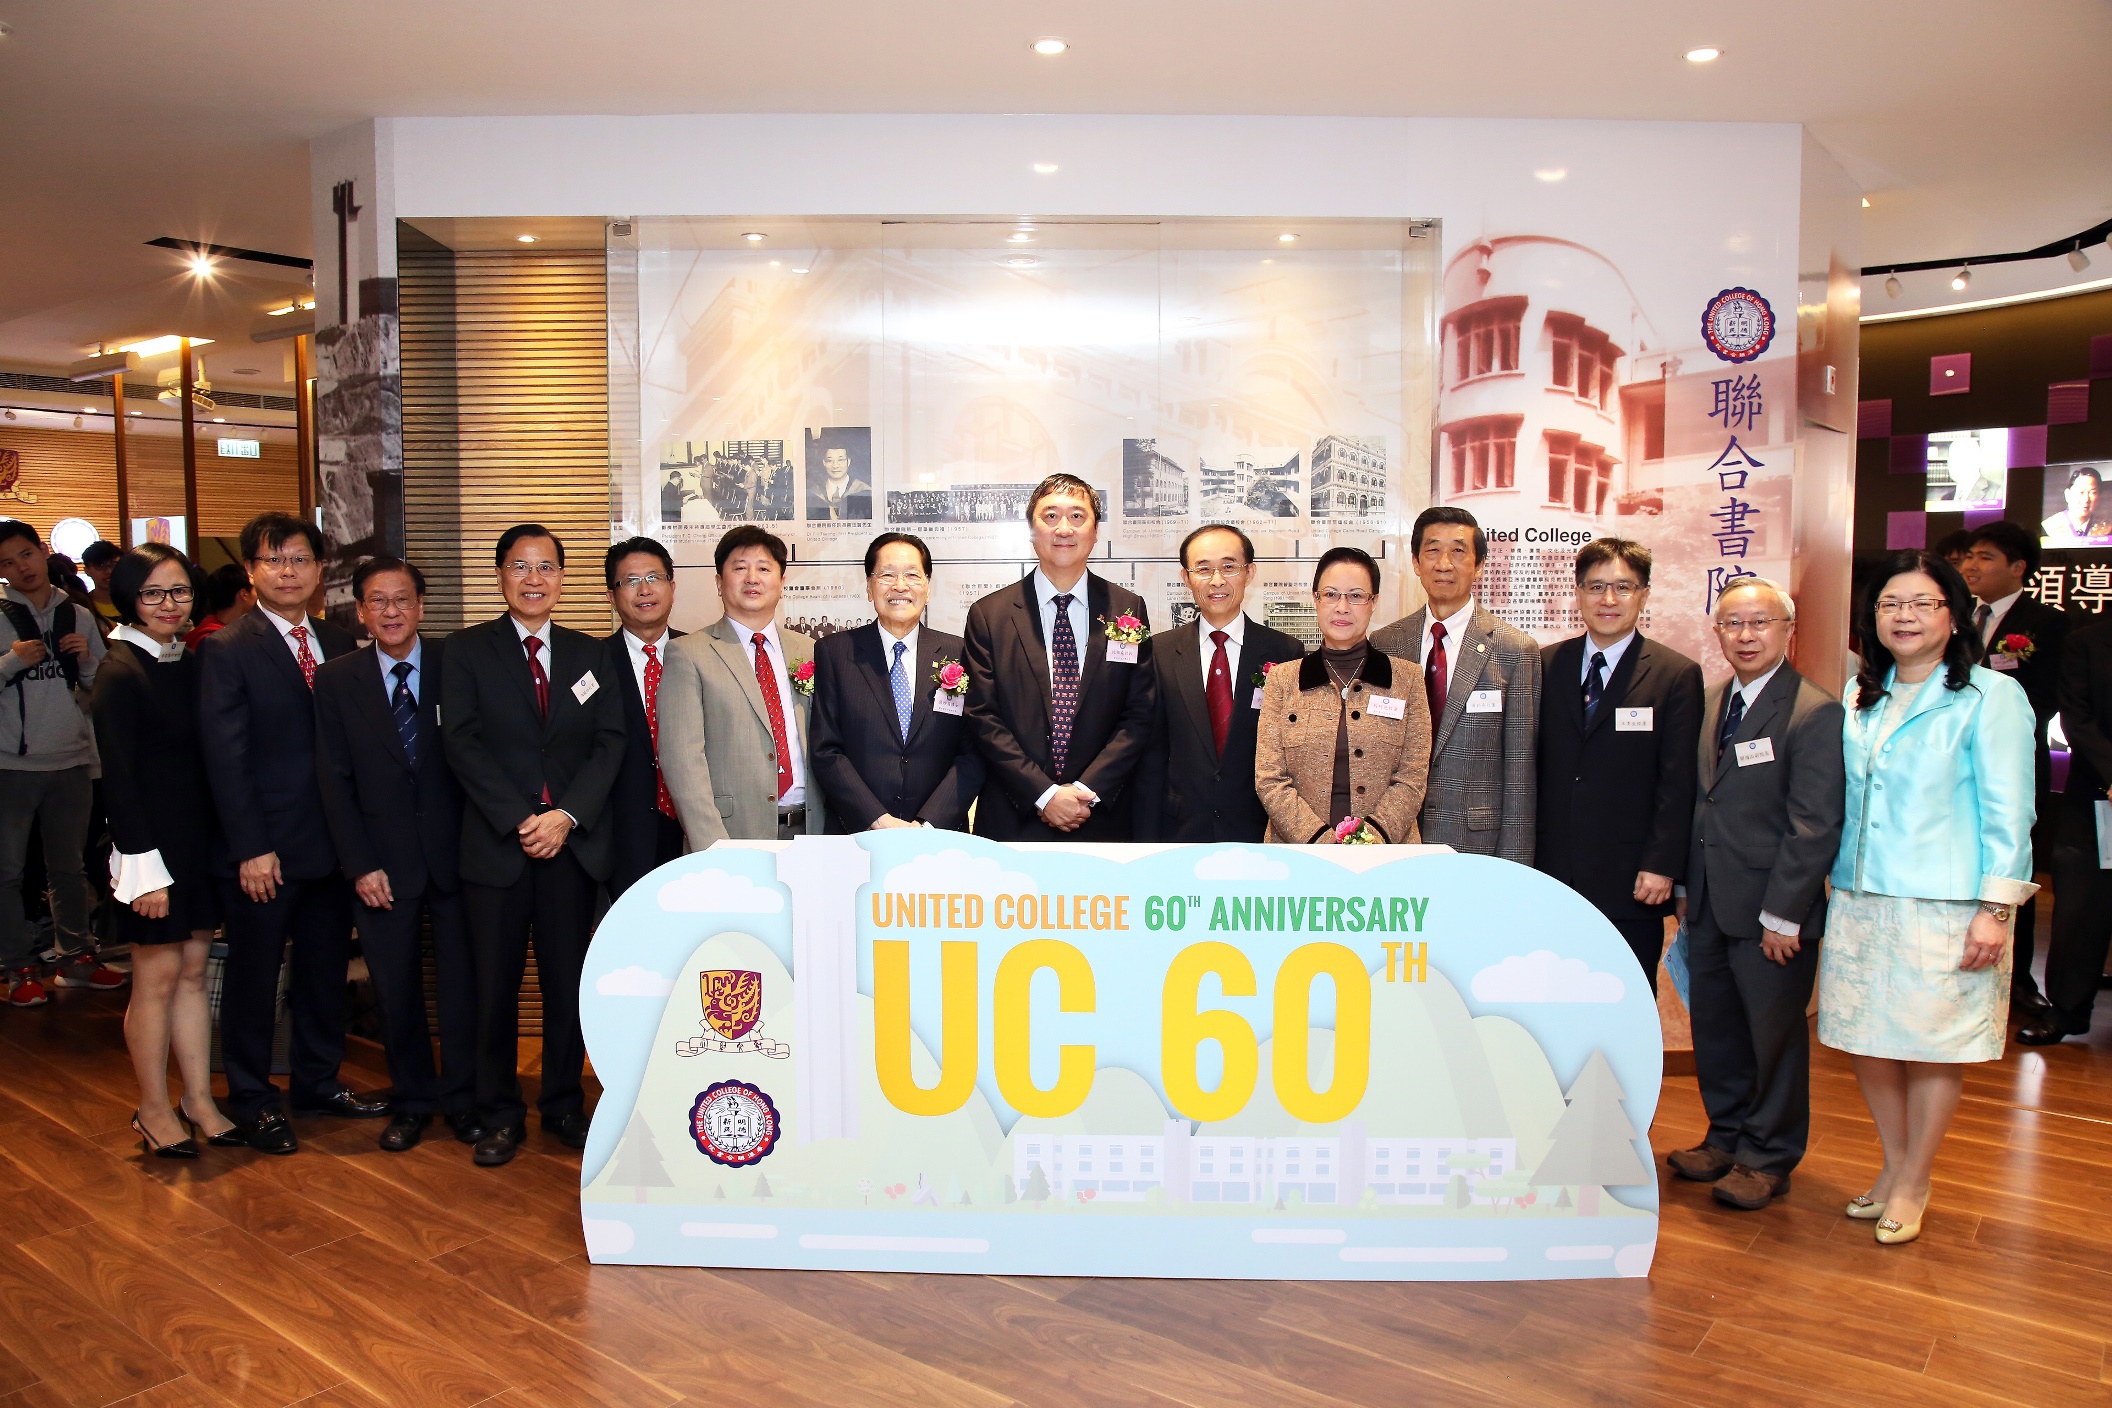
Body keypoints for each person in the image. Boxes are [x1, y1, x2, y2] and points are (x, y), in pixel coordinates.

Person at [1819, 550, 2037, 1246]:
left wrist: (1995, 908)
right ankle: (1892, 1165)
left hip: (1946, 905)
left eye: (1921, 603)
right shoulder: (1860, 695)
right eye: (1890, 604)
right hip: (1860, 895)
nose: (1904, 616)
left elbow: (2011, 811)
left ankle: (1916, 1177)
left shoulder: (1988, 695)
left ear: (1953, 614)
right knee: (1870, 1044)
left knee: (1932, 1047)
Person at [197, 514, 382, 1153]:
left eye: (300, 560)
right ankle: (250, 1096)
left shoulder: (337, 640)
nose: (288, 572)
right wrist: (250, 845)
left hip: (330, 848)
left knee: (323, 972)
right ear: (251, 572)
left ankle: (317, 1081)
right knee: (256, 977)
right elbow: (226, 757)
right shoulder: (227, 647)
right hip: (265, 853)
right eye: (274, 561)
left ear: (318, 570)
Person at [442, 524, 626, 1167]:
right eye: (520, 566)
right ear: (501, 576)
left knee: (565, 984)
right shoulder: (465, 652)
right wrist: (523, 818)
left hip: (569, 849)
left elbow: (611, 743)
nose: (534, 578)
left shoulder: (590, 654)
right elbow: (460, 743)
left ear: (563, 578)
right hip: (498, 847)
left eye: (546, 567)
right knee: (492, 985)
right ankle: (498, 1111)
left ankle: (561, 1105)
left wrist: (566, 816)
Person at [1667, 579, 1846, 1210]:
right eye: (1732, 624)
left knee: (1772, 1037)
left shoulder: (1813, 712)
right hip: (1711, 902)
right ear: (1717, 632)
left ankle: (1768, 1156)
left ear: (1786, 629)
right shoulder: (1714, 702)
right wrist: (1687, 886)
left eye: (1759, 623)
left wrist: (1785, 915)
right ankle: (1726, 1136)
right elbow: (1699, 805)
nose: (1745, 636)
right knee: (1717, 1029)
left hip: (1774, 914)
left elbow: (1815, 824)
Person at [314, 557, 477, 1152]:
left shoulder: (455, 665)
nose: (390, 611)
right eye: (377, 601)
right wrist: (359, 863)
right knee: (397, 987)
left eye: (402, 599)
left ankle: (462, 1098)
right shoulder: (336, 680)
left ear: (421, 605)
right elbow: (333, 779)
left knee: (463, 986)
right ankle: (411, 1100)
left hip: (458, 858)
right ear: (360, 610)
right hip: (380, 864)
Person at [92, 543, 238, 1157]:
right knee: (153, 980)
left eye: (179, 591)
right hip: (150, 853)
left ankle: (198, 1098)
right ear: (130, 599)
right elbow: (119, 781)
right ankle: (152, 1107)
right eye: (153, 593)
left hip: (197, 842)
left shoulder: (189, 659)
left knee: (193, 973)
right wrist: (143, 870)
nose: (168, 604)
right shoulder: (120, 671)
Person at [1534, 539, 1704, 989]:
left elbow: (1678, 780)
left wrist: (1663, 864)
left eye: (1623, 587)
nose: (1608, 600)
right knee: (1553, 1001)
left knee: (1624, 1002)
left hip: (1632, 880)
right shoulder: (1546, 665)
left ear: (1644, 594)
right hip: (1553, 875)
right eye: (1596, 587)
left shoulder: (1675, 674)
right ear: (1578, 592)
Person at [964, 474, 1156, 841]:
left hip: (1100, 816)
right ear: (1032, 531)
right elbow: (982, 716)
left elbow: (1139, 712)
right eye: (1050, 517)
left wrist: (1086, 789)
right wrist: (1044, 794)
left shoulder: (1127, 609)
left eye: (1077, 517)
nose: (1064, 528)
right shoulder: (990, 614)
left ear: (1096, 531)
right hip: (1014, 815)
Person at [1369, 506, 1542, 862]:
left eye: (1458, 551)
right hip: (1394, 839)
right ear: (1416, 562)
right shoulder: (1386, 644)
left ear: (1478, 565)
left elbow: (1521, 771)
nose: (1444, 564)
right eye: (1432, 551)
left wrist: (1515, 866)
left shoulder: (1514, 650)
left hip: (1477, 844)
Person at [0, 520, 124, 1005]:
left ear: (42, 552)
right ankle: (16, 968)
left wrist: (89, 662)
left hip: (72, 759)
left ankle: (76, 958)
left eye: (26, 555)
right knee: (8, 872)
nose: (20, 567)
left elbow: (99, 690)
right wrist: (11, 661)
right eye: (7, 563)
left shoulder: (77, 613)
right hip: (11, 763)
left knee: (69, 868)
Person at [1133, 524, 1304, 842]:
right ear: (1186, 577)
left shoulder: (1286, 652)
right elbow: (1149, 752)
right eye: (1203, 569)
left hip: (1259, 829)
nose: (1217, 580)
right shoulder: (1159, 652)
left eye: (1229, 567)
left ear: (1249, 572)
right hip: (1179, 830)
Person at [1960, 520, 2068, 1019]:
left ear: (2018, 568)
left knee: (2008, 868)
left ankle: (2018, 978)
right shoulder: (1955, 617)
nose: (1970, 566)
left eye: (1984, 557)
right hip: (1954, 764)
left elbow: (2048, 698)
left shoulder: (2047, 623)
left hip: (2016, 760)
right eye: (1967, 557)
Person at [659, 525, 827, 843]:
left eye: (764, 568)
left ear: (781, 582)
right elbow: (681, 758)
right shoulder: (689, 653)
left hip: (811, 830)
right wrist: (713, 845)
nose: (752, 578)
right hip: (731, 835)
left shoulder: (811, 650)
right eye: (740, 568)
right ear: (719, 583)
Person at [1254, 546, 1432, 845]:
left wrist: (1366, 841)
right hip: (1299, 853)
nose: (1342, 607)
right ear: (1316, 599)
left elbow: (1412, 777)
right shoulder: (1283, 680)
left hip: (1386, 854)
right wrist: (1322, 842)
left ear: (1373, 602)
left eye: (1356, 595)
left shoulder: (1408, 679)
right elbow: (1270, 778)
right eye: (1331, 594)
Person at [2018, 608, 2112, 1046]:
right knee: (2081, 909)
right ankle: (2067, 1010)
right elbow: (2076, 716)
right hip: (2097, 795)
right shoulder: (2088, 641)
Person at [601, 537, 687, 896]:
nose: (645, 589)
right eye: (630, 581)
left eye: (654, 577)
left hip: (691, 833)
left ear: (672, 586)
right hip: (618, 839)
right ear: (611, 595)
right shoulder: (591, 662)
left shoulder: (704, 653)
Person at [184, 564, 255, 648]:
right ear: (244, 594)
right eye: (257, 590)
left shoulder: (211, 628)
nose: (261, 596)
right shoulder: (212, 641)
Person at [2040, 465, 2112, 544]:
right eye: (2080, 492)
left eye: (2092, 493)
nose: (2086, 499)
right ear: (2067, 495)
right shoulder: (2048, 527)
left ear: (2099, 497)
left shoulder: (2107, 530)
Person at [807, 444, 872, 521]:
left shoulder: (864, 491)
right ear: (824, 462)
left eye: (841, 460)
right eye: (830, 460)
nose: (835, 466)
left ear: (849, 461)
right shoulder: (812, 494)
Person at [80, 540, 123, 631]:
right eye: (100, 566)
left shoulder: (136, 603)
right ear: (87, 570)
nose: (108, 571)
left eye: (113, 565)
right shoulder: (83, 607)